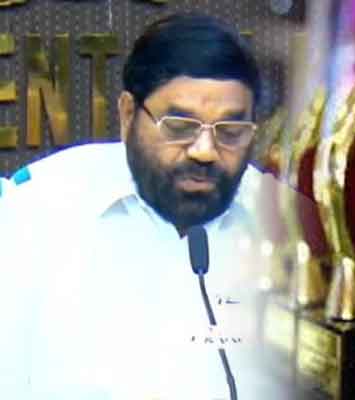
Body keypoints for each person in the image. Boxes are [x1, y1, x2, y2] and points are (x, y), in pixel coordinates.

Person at [0, 14, 291, 399]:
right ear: (127, 115)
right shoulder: (40, 209)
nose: (205, 151)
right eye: (179, 127)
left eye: (231, 131)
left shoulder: (286, 221)